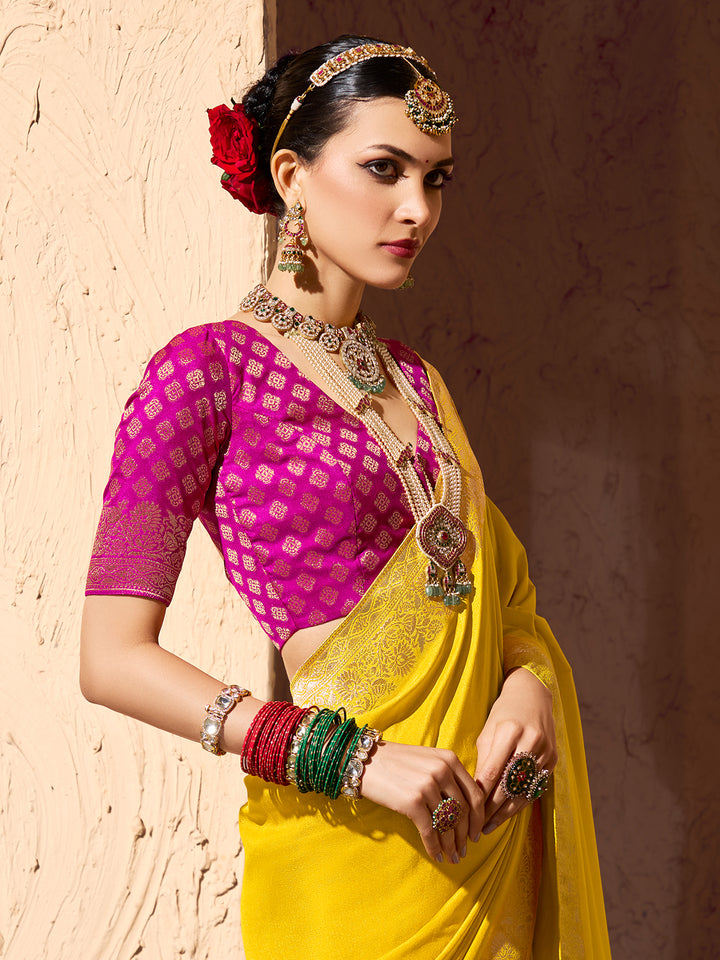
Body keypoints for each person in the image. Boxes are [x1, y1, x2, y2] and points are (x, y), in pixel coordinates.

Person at [80, 35, 611, 959]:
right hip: (347, 857)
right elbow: (111, 658)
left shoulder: (421, 383)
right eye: (383, 168)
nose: (417, 208)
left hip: (481, 845)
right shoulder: (203, 376)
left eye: (436, 179)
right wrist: (351, 758)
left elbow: (503, 588)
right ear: (291, 174)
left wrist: (529, 681)